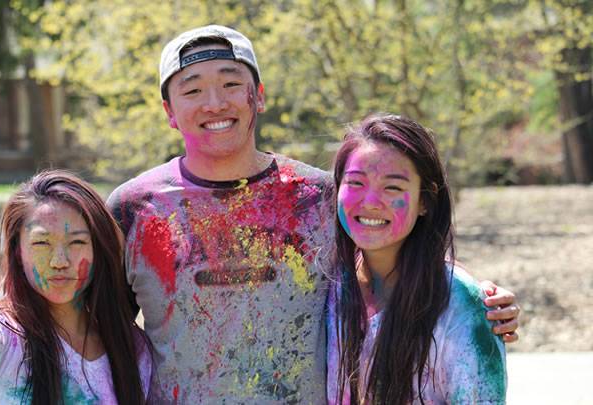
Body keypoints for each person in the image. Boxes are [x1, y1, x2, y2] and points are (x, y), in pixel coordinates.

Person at [108, 25, 519, 404]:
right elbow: (94, 330)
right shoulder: (133, 209)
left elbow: (392, 253)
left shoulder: (319, 196)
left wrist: (476, 295)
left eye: (232, 83)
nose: (215, 103)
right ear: (168, 110)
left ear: (260, 96)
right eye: (192, 90)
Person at [0, 170, 152, 404]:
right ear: (17, 251)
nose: (60, 262)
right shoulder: (6, 335)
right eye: (42, 243)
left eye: (77, 242)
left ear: (98, 249)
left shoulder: (134, 348)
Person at [328, 114, 507, 404]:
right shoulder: (326, 287)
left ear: (425, 201)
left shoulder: (461, 305)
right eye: (356, 183)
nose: (371, 201)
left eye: (393, 187)